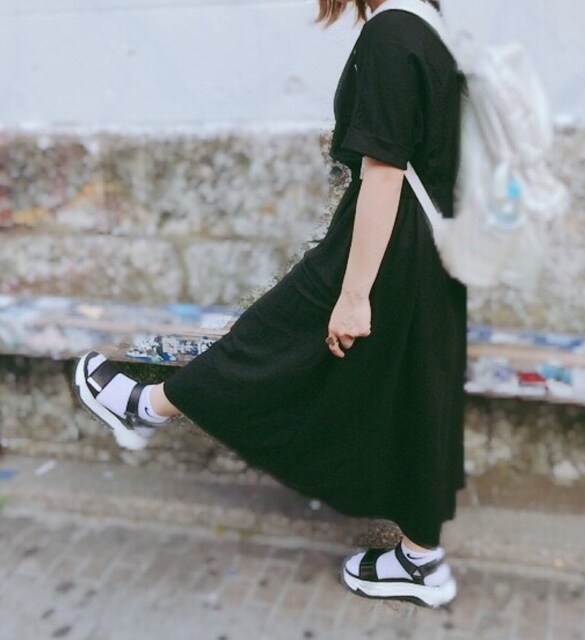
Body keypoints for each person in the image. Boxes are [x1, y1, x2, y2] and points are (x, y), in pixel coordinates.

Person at [73, 0, 466, 608]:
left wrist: (354, 295)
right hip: (433, 246)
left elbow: (385, 171)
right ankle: (421, 560)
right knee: (417, 391)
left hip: (390, 239)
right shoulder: (432, 24)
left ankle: (146, 407)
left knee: (280, 334)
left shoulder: (392, 31)